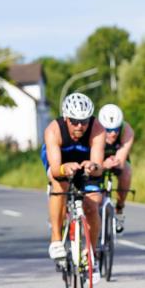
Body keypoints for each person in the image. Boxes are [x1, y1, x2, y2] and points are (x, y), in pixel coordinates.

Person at [41, 93, 104, 260]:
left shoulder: (97, 129)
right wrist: (63, 169)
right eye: (74, 121)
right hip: (60, 162)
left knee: (92, 204)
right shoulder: (53, 130)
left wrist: (93, 166)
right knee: (60, 185)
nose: (79, 126)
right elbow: (55, 169)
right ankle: (55, 239)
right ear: (65, 118)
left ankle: (90, 251)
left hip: (84, 163)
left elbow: (99, 168)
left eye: (84, 121)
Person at [97, 104, 134, 233]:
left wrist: (115, 163)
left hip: (117, 157)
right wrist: (102, 165)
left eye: (116, 129)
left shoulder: (127, 130)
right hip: (98, 156)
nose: (112, 134)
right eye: (108, 130)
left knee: (126, 173)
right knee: (95, 176)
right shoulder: (95, 130)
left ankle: (119, 209)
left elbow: (120, 161)